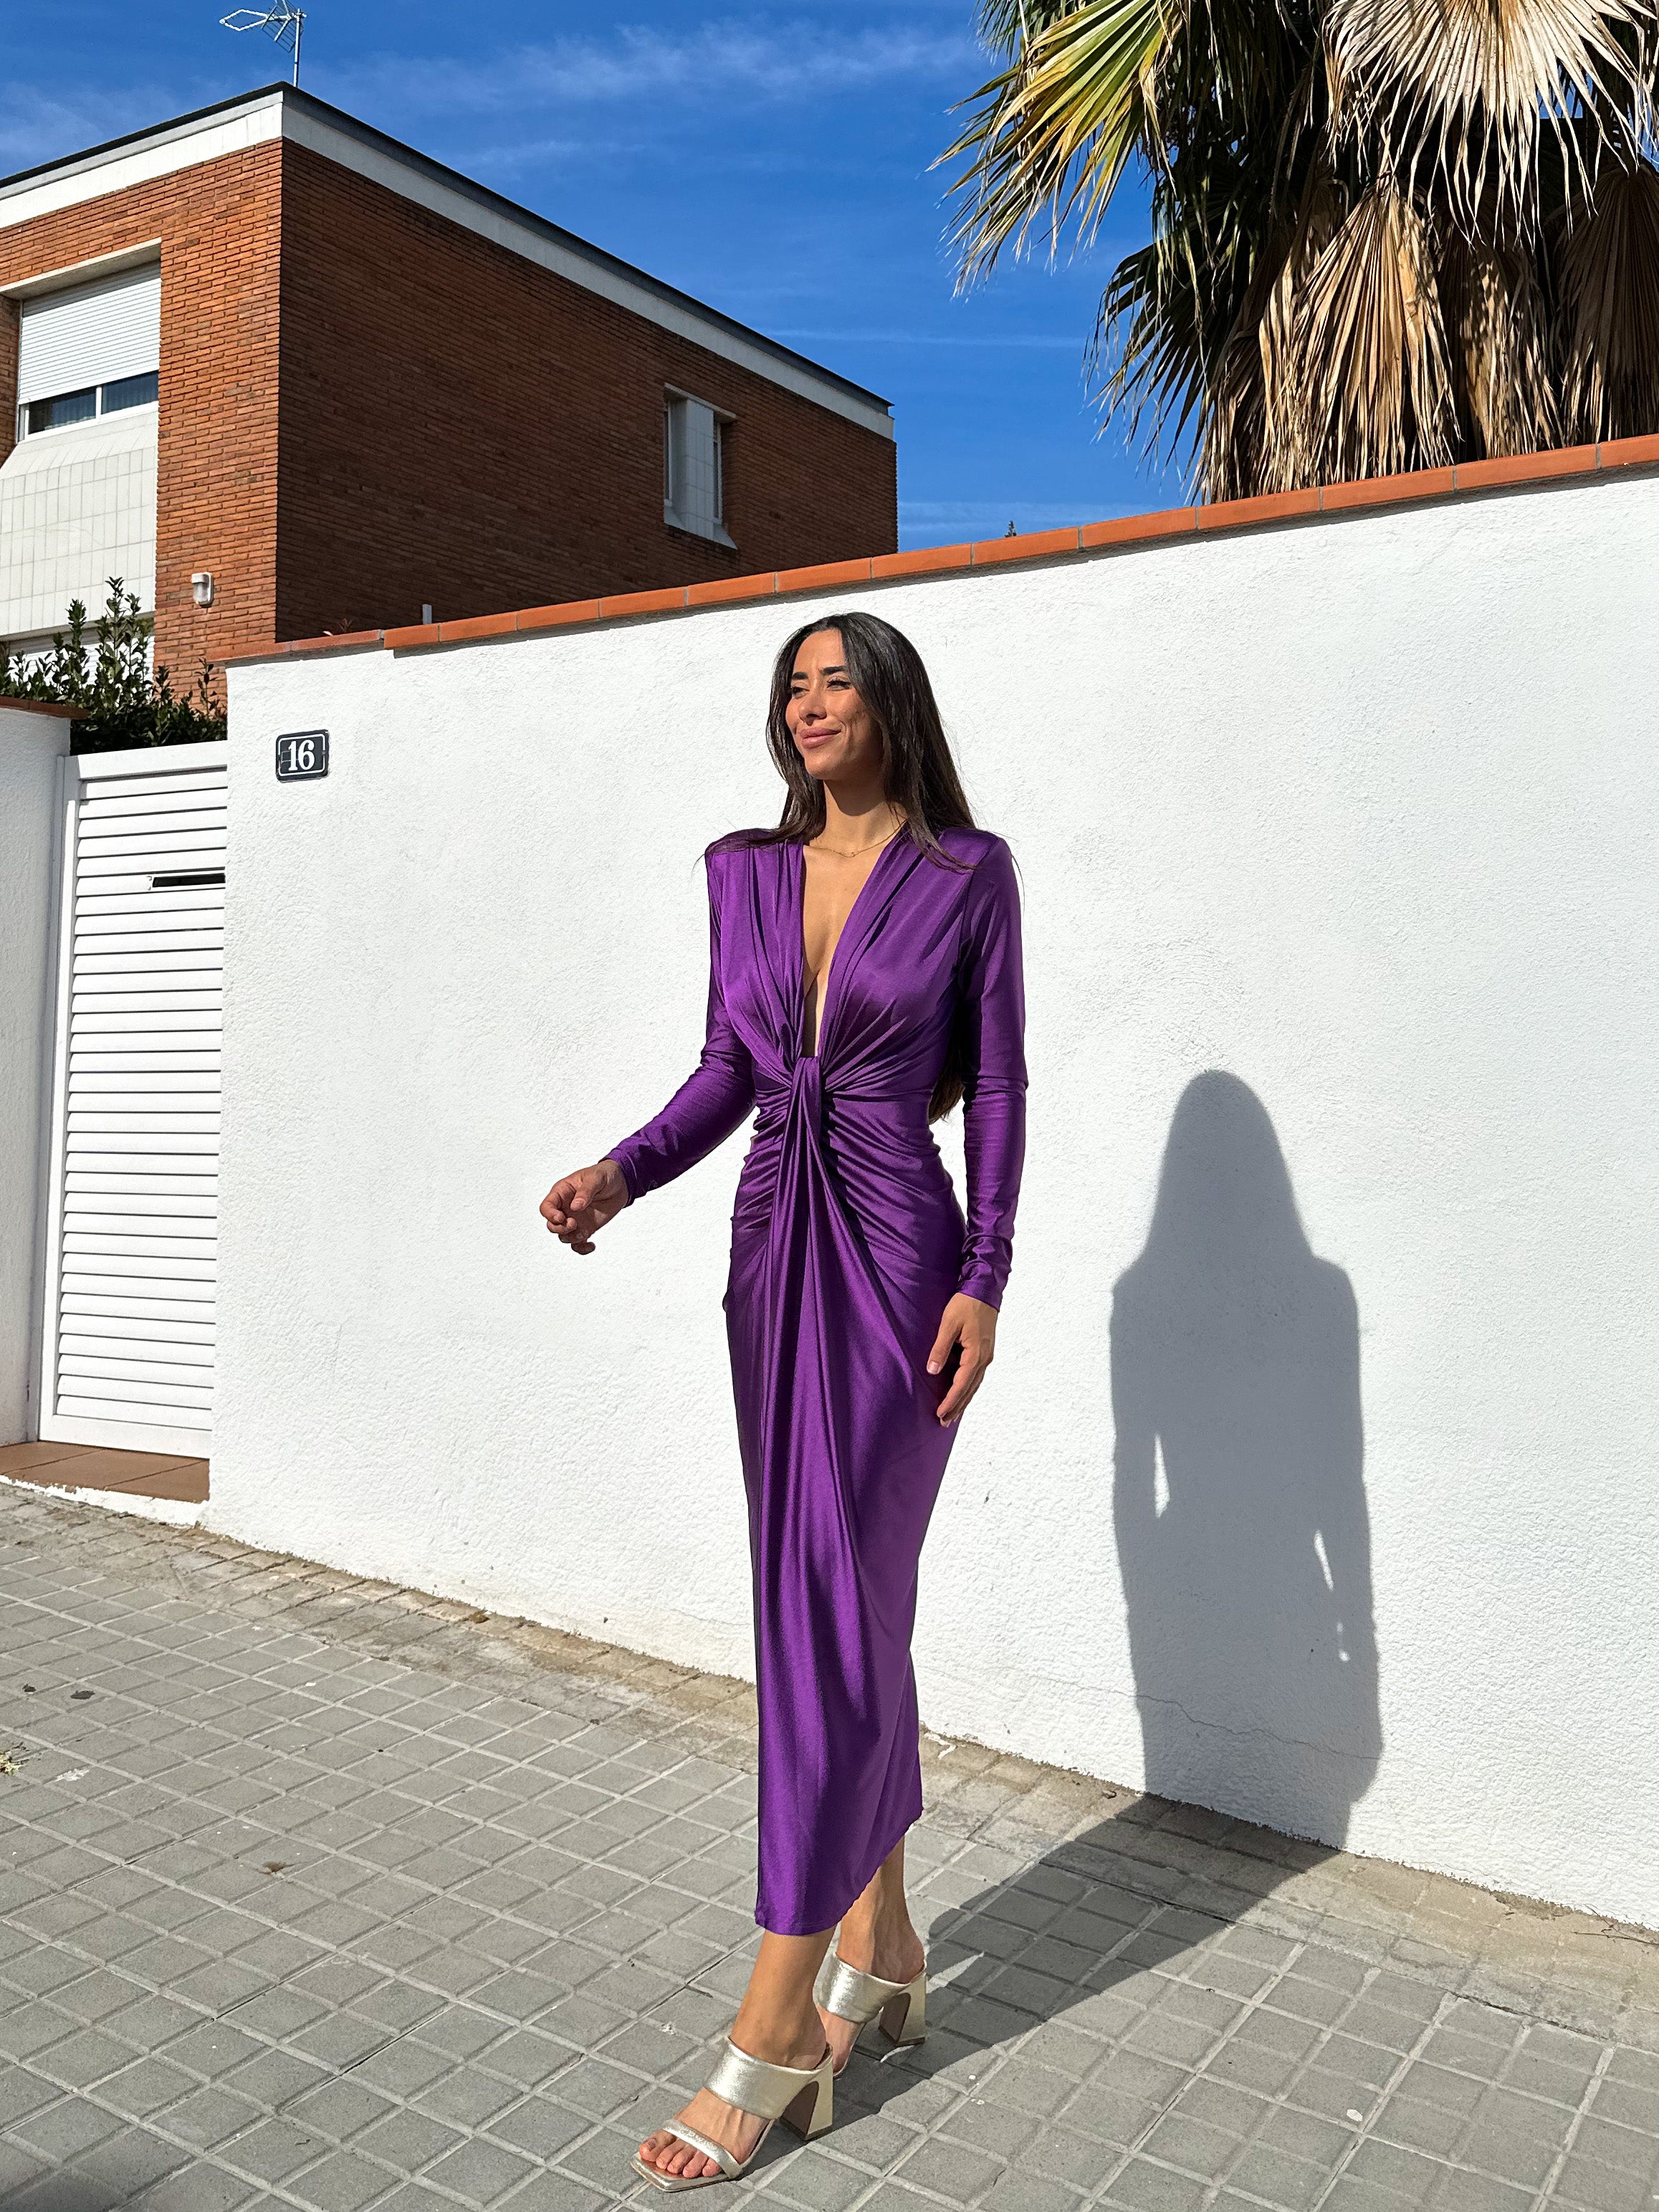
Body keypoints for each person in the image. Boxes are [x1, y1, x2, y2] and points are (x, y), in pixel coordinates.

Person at [540, 611, 1027, 2191]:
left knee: (831, 1603)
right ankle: (882, 1938)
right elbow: (727, 1071)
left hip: (902, 1261)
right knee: (832, 1608)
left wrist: (987, 1275)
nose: (812, 704)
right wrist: (623, 1169)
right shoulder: (742, 870)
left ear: (893, 705)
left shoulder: (968, 875)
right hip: (773, 1249)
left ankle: (778, 2025)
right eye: (795, 685)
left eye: (839, 681)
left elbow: (1000, 1083)